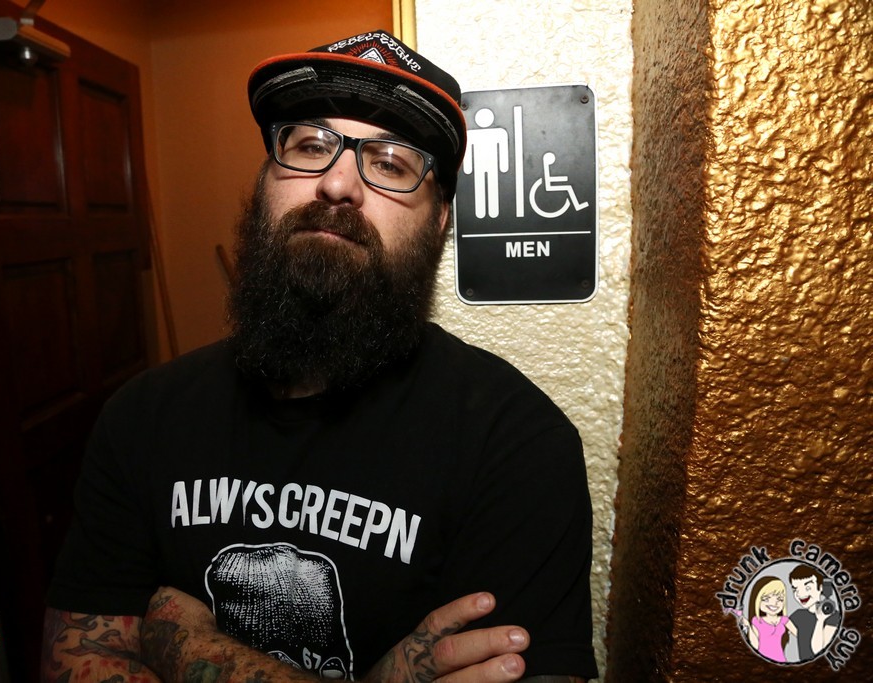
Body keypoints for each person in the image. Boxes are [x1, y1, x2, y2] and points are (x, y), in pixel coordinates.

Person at [41, 29, 598, 683]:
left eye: (390, 163)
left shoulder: (517, 445)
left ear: (440, 219)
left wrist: (184, 647)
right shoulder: (143, 416)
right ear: (264, 181)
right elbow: (76, 661)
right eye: (309, 145)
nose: (336, 183)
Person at [788, 565, 840, 662]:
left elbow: (818, 651)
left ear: (820, 587)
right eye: (795, 589)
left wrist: (820, 620)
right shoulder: (798, 615)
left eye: (807, 588)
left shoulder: (833, 616)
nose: (800, 594)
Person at [738, 576, 796, 662]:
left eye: (780, 599)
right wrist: (748, 626)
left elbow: (800, 635)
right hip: (762, 660)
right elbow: (755, 646)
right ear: (757, 600)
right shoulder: (757, 621)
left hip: (781, 660)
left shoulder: (784, 620)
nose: (774, 603)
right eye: (766, 599)